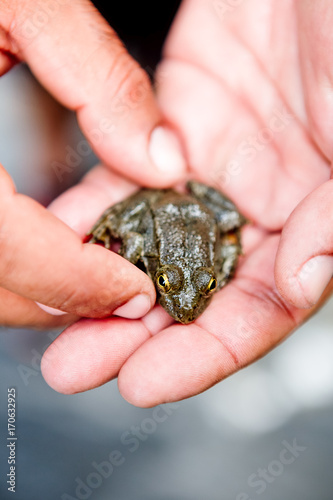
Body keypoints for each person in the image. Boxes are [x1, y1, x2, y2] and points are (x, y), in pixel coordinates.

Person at [0, 0, 332, 406]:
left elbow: (226, 248)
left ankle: (74, 167)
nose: (186, 307)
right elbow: (159, 243)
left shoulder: (210, 269)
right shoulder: (162, 255)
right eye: (169, 286)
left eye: (207, 286)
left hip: (195, 201)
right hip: (162, 209)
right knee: (58, 71)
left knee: (163, 60)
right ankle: (55, 171)